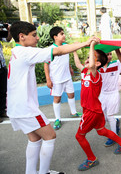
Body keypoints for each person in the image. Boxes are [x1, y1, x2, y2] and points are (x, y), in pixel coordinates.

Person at [7, 21, 96, 174]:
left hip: (17, 107)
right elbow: (58, 51)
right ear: (21, 37)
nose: (37, 39)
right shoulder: (25, 52)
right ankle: (43, 172)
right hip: (26, 108)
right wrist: (86, 43)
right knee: (50, 136)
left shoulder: (17, 52)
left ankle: (31, 172)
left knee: (35, 139)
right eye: (34, 36)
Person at [73, 39, 121, 171]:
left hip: (90, 111)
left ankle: (92, 159)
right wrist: (74, 50)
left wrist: (92, 45)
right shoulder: (84, 72)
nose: (87, 60)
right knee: (101, 131)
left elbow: (92, 65)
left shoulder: (95, 74)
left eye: (91, 58)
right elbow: (77, 64)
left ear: (97, 63)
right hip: (95, 109)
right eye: (87, 58)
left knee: (79, 136)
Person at [44, 26, 81, 130]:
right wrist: (48, 79)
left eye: (64, 33)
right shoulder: (50, 49)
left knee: (71, 94)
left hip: (67, 77)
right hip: (56, 79)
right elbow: (46, 64)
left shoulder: (66, 46)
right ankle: (57, 119)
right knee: (57, 98)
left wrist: (70, 67)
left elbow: (67, 57)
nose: (64, 35)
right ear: (55, 37)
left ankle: (73, 112)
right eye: (61, 34)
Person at [99, 52, 121, 147]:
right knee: (103, 118)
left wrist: (118, 50)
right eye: (106, 54)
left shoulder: (116, 63)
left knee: (110, 116)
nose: (109, 56)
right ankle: (116, 122)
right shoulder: (98, 66)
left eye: (110, 54)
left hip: (113, 93)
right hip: (102, 95)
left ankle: (114, 136)